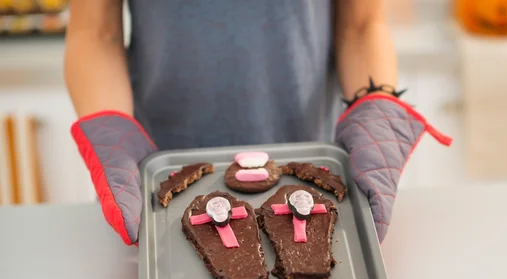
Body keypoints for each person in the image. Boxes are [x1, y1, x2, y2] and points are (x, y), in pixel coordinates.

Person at [64, 0, 451, 246]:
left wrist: (376, 112)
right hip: (156, 181)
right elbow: (95, 31)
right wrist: (111, 134)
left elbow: (362, 24)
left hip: (308, 175)